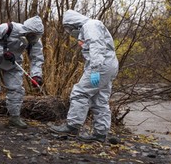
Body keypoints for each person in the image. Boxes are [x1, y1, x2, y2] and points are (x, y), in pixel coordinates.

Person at [49, 10, 119, 143]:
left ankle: (72, 126)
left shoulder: (90, 26)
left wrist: (95, 70)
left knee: (80, 92)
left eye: (69, 28)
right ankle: (100, 134)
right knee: (100, 99)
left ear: (73, 23)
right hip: (109, 65)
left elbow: (96, 47)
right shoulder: (91, 26)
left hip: (101, 65)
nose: (70, 32)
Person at [0, 16, 44, 129]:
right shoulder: (6, 28)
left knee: (16, 88)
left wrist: (36, 75)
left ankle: (15, 117)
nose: (34, 37)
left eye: (36, 35)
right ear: (27, 30)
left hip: (14, 62)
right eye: (32, 34)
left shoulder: (35, 40)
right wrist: (2, 52)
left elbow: (36, 58)